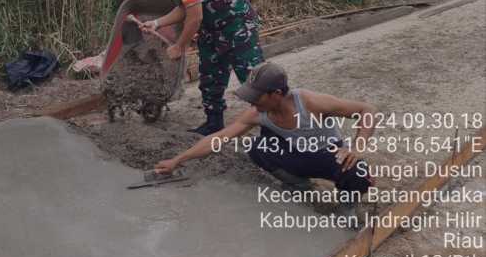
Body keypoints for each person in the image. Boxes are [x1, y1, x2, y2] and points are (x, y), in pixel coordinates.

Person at [154, 62, 375, 193]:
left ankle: (347, 206)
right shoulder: (257, 113)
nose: (252, 103)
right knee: (257, 146)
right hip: (297, 156)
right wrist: (177, 160)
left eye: (256, 97)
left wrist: (358, 146)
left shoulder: (310, 102)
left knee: (359, 172)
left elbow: (367, 110)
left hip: (329, 156)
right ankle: (299, 184)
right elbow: (218, 138)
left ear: (276, 94)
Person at [125, 0, 263, 135]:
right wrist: (157, 23)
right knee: (210, 76)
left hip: (235, 23)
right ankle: (213, 123)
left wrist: (180, 46)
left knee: (253, 78)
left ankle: (274, 127)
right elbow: (184, 8)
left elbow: (195, 15)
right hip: (212, 26)